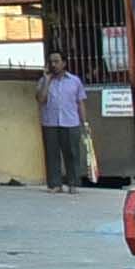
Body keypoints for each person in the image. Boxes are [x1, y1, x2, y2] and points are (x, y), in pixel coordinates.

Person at [39, 58, 95, 190]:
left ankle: (73, 184)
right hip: (50, 123)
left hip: (71, 123)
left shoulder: (75, 81)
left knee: (72, 154)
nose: (53, 64)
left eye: (56, 61)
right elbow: (40, 99)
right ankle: (55, 184)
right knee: (52, 155)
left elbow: (80, 103)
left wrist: (85, 123)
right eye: (51, 62)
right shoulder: (43, 81)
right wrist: (46, 81)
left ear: (63, 63)